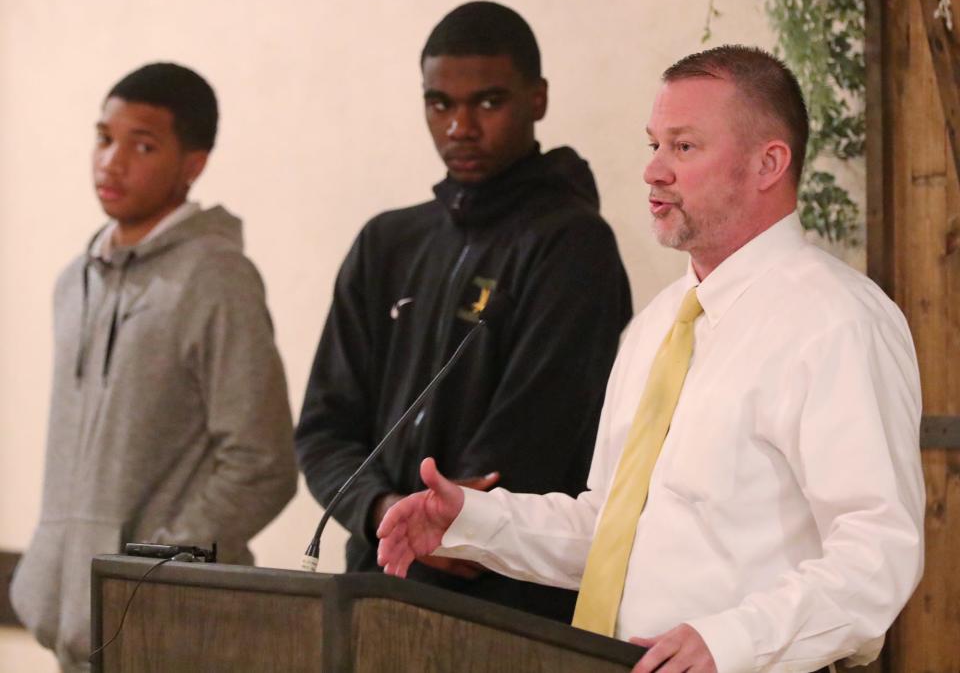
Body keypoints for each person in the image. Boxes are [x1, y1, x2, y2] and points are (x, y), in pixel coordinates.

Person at [377, 45, 925, 673]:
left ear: (768, 163)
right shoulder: (656, 325)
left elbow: (879, 551)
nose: (653, 172)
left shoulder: (837, 321)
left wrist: (731, 641)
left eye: (684, 148)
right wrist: (469, 522)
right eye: (653, 145)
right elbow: (612, 533)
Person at [295, 1, 632, 622]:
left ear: (538, 99)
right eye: (440, 103)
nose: (460, 126)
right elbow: (323, 430)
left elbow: (541, 436)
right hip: (375, 592)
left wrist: (459, 522)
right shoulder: (386, 244)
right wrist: (380, 511)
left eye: (488, 101)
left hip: (509, 611)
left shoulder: (573, 245)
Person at [10, 63, 297, 672]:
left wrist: (149, 567)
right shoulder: (74, 281)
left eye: (142, 145)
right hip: (71, 630)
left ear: (193, 163)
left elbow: (262, 465)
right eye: (104, 137)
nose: (111, 161)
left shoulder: (217, 279)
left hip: (174, 635)